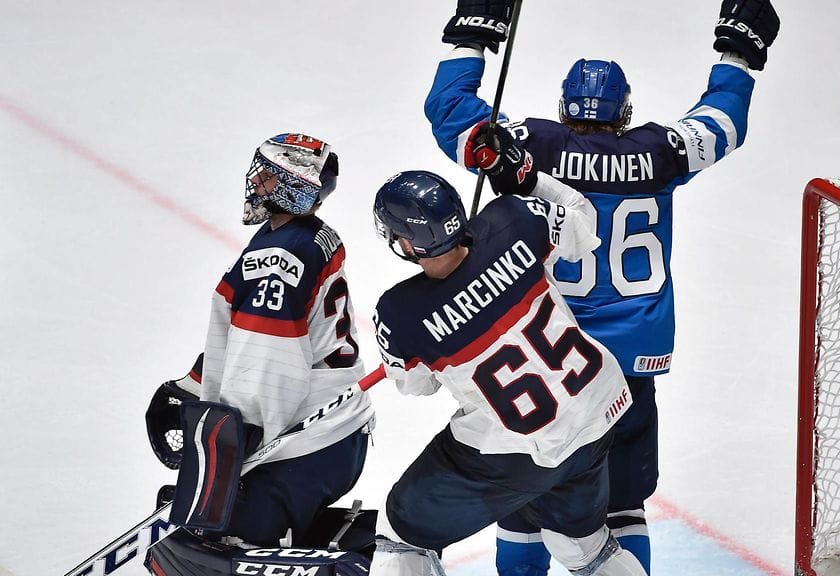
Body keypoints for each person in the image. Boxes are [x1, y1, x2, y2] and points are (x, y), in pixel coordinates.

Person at [425, 1, 780, 574]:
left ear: (565, 109)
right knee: (621, 505)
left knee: (524, 497)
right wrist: (738, 52)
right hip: (628, 359)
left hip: (543, 356)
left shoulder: (528, 148)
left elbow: (449, 113)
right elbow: (723, 120)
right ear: (625, 112)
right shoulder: (657, 151)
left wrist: (472, 41)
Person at [368, 124, 646, 576]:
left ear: (407, 242)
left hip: (510, 453)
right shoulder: (514, 219)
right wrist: (521, 174)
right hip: (594, 416)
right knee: (584, 547)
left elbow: (416, 386)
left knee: (403, 534)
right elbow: (581, 218)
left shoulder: (400, 312)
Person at [144, 133, 375, 576]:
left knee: (201, 558)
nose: (257, 182)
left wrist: (225, 449)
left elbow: (267, 369)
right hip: (335, 436)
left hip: (301, 450)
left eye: (268, 175)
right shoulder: (303, 236)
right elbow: (246, 334)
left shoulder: (278, 257)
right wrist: (190, 386)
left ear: (292, 185)